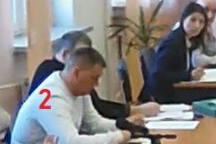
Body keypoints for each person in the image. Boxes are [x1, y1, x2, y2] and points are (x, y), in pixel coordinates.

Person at [12, 47, 133, 144]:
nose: (96, 84)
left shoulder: (79, 90)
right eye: (94, 78)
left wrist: (126, 126)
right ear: (76, 73)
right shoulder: (51, 97)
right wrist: (119, 137)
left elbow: (94, 124)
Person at [28, 31, 158, 121]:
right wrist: (134, 111)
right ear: (66, 54)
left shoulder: (65, 73)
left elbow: (93, 116)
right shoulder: (53, 76)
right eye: (81, 54)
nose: (88, 59)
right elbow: (98, 108)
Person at [139, 3, 209, 104]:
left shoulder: (187, 40)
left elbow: (179, 68)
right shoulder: (173, 42)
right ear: (183, 19)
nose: (197, 25)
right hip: (162, 96)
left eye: (201, 22)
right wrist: (189, 75)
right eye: (193, 20)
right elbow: (159, 75)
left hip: (174, 90)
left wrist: (193, 72)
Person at [195, 0, 216, 66]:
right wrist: (215, 60)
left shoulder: (207, 29)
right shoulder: (189, 28)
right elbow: (196, 60)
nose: (210, 16)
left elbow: (213, 53)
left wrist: (210, 37)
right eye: (206, 10)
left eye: (214, 11)